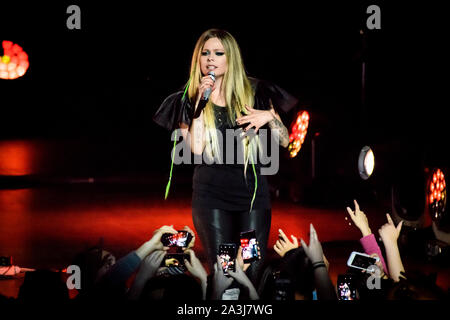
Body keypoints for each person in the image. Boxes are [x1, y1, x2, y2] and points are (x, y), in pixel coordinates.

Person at [153, 28, 297, 285]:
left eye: (218, 53)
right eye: (205, 53)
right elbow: (196, 149)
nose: (211, 58)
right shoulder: (188, 99)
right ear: (198, 58)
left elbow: (285, 141)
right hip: (211, 198)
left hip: (252, 197)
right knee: (224, 270)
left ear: (231, 58)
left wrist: (270, 118)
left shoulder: (255, 91)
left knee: (251, 268)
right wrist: (199, 102)